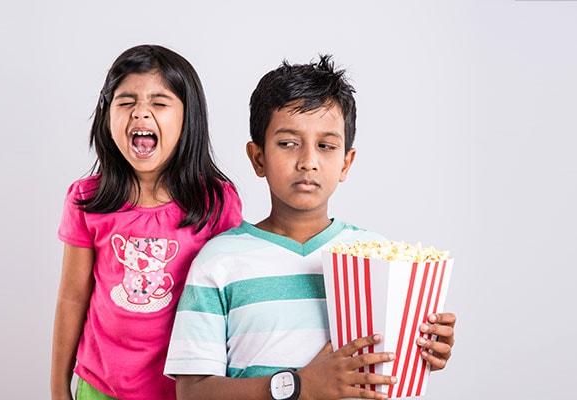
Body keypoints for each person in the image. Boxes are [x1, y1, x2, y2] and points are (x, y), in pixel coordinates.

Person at [164, 55, 456, 400]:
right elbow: (192, 392)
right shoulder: (219, 262)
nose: (308, 161)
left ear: (346, 162)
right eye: (288, 143)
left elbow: (389, 370)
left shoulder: (377, 260)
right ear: (259, 158)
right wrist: (297, 387)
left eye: (326, 146)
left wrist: (423, 347)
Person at [50, 44, 243, 400]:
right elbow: (72, 298)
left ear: (188, 118)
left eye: (159, 102)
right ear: (107, 117)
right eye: (125, 103)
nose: (140, 113)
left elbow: (229, 304)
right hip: (100, 385)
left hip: (182, 389)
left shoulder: (216, 202)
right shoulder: (86, 199)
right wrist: (59, 388)